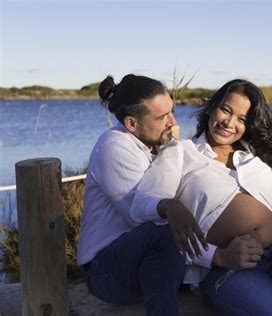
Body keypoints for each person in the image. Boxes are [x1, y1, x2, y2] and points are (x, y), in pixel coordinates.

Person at [131, 79, 272, 315]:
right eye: (226, 110)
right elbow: (142, 208)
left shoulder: (263, 153)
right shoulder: (182, 152)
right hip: (227, 268)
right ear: (212, 106)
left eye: (242, 119)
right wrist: (216, 256)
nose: (229, 123)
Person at [77, 74, 260, 316]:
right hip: (108, 271)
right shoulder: (114, 146)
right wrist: (219, 256)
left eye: (171, 111)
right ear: (132, 124)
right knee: (163, 234)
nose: (172, 121)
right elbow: (145, 219)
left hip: (150, 261)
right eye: (162, 117)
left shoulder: (159, 142)